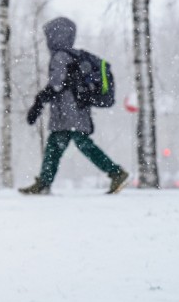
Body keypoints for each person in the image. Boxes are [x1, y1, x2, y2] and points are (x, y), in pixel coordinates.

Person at [19, 17, 130, 195]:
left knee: (81, 143)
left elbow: (57, 84)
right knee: (55, 145)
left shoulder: (60, 56)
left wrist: (39, 102)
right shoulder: (74, 55)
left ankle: (116, 172)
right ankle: (44, 182)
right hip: (74, 109)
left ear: (54, 37)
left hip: (69, 111)